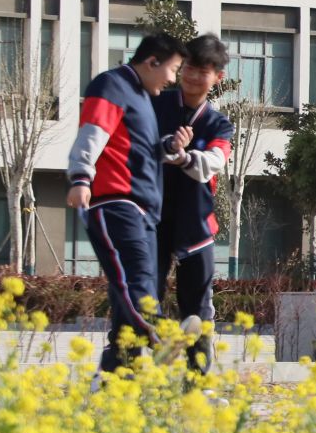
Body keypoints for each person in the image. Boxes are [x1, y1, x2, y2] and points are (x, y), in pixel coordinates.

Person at [67, 34, 188, 373]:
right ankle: (160, 335)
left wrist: (169, 146)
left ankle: (114, 379)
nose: (172, 80)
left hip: (143, 209)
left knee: (131, 292)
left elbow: (138, 149)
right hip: (115, 202)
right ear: (152, 62)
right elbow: (92, 132)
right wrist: (81, 177)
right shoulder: (112, 85)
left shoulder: (141, 96)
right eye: (173, 70)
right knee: (135, 278)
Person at [154, 33, 232, 374]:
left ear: (218, 77)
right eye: (188, 67)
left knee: (198, 311)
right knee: (143, 298)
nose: (193, 76)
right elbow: (137, 146)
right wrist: (166, 146)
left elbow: (212, 163)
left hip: (196, 225)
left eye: (203, 71)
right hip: (150, 220)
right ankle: (134, 373)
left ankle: (197, 384)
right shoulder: (154, 104)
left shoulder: (219, 124)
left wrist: (183, 156)